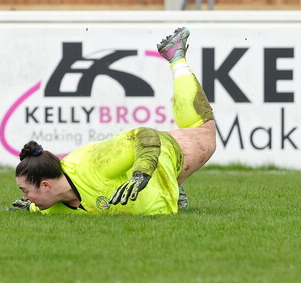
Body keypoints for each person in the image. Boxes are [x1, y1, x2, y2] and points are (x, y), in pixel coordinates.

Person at [12, 27, 215, 215]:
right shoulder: (49, 207)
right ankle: (175, 187)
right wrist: (30, 205)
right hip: (157, 187)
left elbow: (145, 135)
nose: (24, 197)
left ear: (46, 186)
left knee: (205, 133)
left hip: (163, 155)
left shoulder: (92, 164)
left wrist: (142, 173)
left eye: (26, 191)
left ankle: (176, 58)